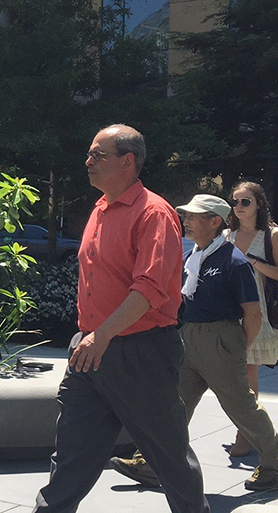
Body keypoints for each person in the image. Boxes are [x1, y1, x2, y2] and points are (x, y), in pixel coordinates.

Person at [0, 125, 223, 513]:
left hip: (138, 351)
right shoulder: (99, 209)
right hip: (93, 347)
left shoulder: (153, 214)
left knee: (167, 453)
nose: (88, 161)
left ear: (127, 161)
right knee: (73, 449)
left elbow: (150, 289)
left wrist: (104, 335)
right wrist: (87, 335)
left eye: (98, 154)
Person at [108, 194, 278, 491]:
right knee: (172, 404)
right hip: (190, 338)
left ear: (214, 222)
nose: (186, 220)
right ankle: (150, 463)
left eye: (194, 216)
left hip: (220, 339)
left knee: (241, 408)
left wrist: (237, 348)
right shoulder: (193, 258)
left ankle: (274, 465)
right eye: (185, 215)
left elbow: (253, 314)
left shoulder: (233, 260)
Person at [224, 181, 278, 457]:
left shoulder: (272, 235)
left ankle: (245, 433)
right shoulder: (226, 236)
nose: (239, 207)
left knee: (248, 370)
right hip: (228, 310)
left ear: (259, 203)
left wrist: (253, 262)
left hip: (258, 310)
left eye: (246, 202)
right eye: (235, 202)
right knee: (230, 374)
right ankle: (250, 427)